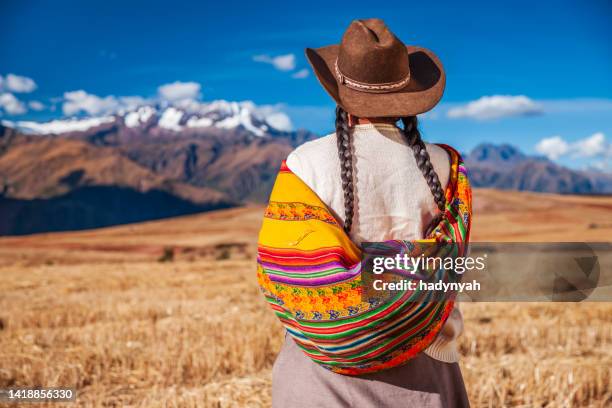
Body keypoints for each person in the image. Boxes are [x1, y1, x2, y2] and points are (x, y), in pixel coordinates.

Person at [258, 18, 471, 407]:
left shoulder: (305, 164)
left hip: (321, 374)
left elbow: (283, 271)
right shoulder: (445, 165)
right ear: (410, 95)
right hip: (427, 367)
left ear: (341, 93)